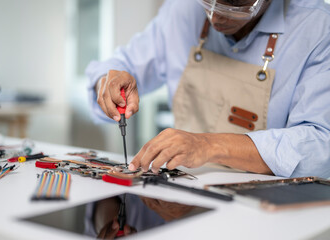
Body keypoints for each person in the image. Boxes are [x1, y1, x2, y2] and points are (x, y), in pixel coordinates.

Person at [86, 0, 330, 178]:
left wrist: (206, 145)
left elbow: (321, 145)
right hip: (185, 198)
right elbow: (119, 65)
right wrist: (108, 81)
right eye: (206, 1)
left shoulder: (318, 27)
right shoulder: (182, 10)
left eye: (233, 6)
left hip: (267, 212)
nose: (214, 17)